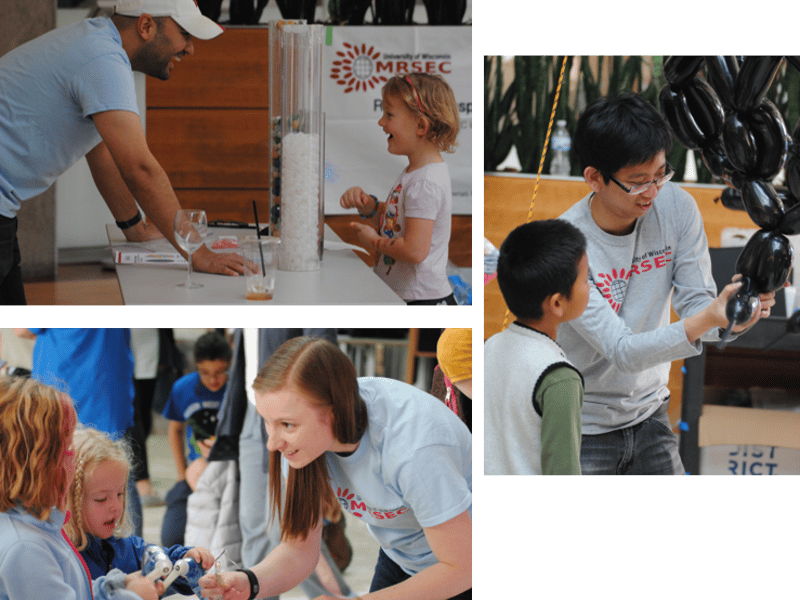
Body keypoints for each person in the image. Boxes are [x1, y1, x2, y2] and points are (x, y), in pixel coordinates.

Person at [558, 93, 778, 475]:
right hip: (582, 427)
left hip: (650, 414)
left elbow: (698, 306)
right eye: (637, 182)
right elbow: (622, 351)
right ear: (594, 178)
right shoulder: (566, 246)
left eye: (660, 174)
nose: (653, 191)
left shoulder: (677, 208)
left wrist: (736, 317)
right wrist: (708, 318)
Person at [0, 0, 244, 305]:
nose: (189, 49)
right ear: (145, 26)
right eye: (185, 34)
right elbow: (140, 168)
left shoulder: (96, 44)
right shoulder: (101, 58)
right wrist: (199, 253)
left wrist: (135, 229)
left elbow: (101, 152)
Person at [199, 336, 472, 600]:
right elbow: (298, 550)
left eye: (287, 424)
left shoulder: (413, 448)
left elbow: (463, 568)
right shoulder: (302, 447)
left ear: (334, 413)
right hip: (404, 556)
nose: (272, 443)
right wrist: (250, 582)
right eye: (267, 422)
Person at [206, 328, 352, 599]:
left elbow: (321, 347)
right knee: (253, 526)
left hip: (294, 410)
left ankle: (340, 597)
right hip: (254, 410)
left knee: (285, 532)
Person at [0, 376, 162, 600]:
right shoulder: (25, 547)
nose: (73, 457)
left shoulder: (39, 525)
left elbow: (69, 591)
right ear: (38, 463)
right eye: (67, 446)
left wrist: (114, 587)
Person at [341, 73, 460, 306]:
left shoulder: (425, 183)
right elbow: (401, 219)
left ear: (421, 125)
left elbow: (415, 251)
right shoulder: (417, 173)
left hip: (421, 301)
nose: (381, 122)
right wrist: (372, 207)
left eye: (389, 114)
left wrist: (374, 241)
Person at [484, 220, 589, 476]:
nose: (590, 287)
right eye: (586, 280)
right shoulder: (560, 378)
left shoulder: (491, 346)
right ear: (556, 303)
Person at [64, 427, 214, 595]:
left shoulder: (126, 549)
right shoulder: (61, 560)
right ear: (69, 500)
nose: (116, 506)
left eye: (120, 494)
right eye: (101, 499)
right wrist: (124, 591)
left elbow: (158, 559)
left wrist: (184, 560)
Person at [161, 330, 232, 546]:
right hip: (195, 471)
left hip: (230, 470)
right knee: (172, 537)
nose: (213, 380)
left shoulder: (239, 388)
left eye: (220, 372)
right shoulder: (184, 388)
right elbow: (175, 429)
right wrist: (182, 474)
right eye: (205, 372)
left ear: (230, 364)